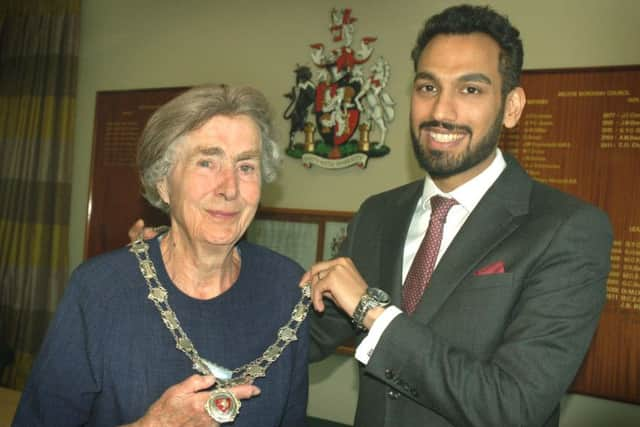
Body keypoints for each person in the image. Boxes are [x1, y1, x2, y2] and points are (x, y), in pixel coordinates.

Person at [302, 4, 612, 427]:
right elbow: (306, 337)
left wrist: (373, 312)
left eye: (470, 90)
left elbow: (514, 406)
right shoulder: (377, 213)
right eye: (428, 87)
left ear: (512, 106)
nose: (441, 112)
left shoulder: (567, 229)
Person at [13, 84, 309, 426]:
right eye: (206, 162)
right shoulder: (98, 292)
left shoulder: (287, 288)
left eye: (246, 167)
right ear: (163, 184)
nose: (229, 188)